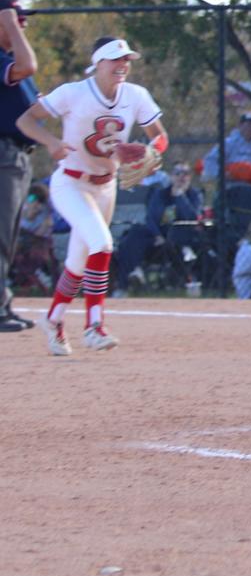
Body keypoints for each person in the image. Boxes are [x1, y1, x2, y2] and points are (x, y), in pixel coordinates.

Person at [13, 36, 168, 353]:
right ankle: (94, 326)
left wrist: (152, 153)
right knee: (103, 244)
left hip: (105, 186)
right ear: (98, 63)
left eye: (126, 59)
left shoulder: (136, 95)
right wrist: (51, 143)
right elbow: (26, 120)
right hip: (71, 183)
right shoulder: (73, 92)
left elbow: (160, 136)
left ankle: (54, 319)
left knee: (78, 263)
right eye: (115, 59)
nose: (122, 65)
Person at [0, 0, 42, 332]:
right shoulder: (6, 60)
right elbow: (28, 66)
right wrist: (8, 22)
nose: (23, 22)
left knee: (9, 236)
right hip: (2, 154)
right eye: (17, 17)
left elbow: (39, 108)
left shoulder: (10, 58)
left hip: (17, 156)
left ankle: (3, 304)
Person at [112, 161, 205, 293]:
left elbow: (193, 217)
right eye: (177, 173)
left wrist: (180, 196)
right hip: (158, 238)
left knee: (171, 236)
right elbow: (151, 217)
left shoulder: (194, 195)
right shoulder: (161, 194)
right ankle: (129, 277)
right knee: (135, 233)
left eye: (185, 174)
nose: (181, 177)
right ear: (171, 176)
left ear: (190, 177)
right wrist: (157, 235)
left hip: (179, 239)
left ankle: (188, 282)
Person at [204, 112, 251, 187]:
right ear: (240, 126)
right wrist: (222, 174)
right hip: (233, 186)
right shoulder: (230, 143)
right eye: (248, 124)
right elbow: (209, 160)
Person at [11, 181, 56, 295]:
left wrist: (40, 211)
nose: (33, 201)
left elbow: (43, 232)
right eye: (31, 198)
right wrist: (31, 209)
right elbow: (26, 218)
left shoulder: (47, 211)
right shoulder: (27, 202)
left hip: (37, 242)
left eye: (37, 199)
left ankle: (39, 286)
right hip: (22, 237)